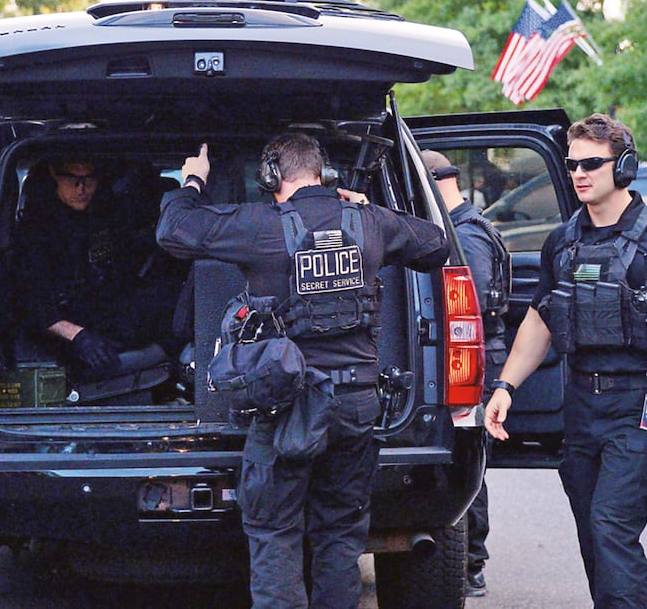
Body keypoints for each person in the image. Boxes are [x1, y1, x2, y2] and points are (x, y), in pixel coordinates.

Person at [156, 135, 449, 608]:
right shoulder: (369, 221)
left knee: (275, 532)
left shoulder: (260, 226)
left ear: (271, 176)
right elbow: (436, 245)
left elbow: (174, 231)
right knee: (340, 535)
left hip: (288, 407)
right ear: (326, 175)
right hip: (357, 405)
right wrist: (370, 207)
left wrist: (193, 179)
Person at [484, 114, 647, 608]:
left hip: (641, 406)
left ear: (626, 166)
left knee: (611, 525)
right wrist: (505, 387)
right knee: (594, 534)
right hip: (581, 407)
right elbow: (539, 320)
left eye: (592, 163)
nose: (578, 174)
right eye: (572, 164)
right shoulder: (563, 241)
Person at [423, 150, 509, 598]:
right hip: (479, 355)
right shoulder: (464, 227)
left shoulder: (466, 237)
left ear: (434, 181)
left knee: (466, 455)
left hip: (475, 356)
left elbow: (465, 310)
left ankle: (472, 563)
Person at [13, 158, 181, 377]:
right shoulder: (33, 234)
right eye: (73, 179)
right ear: (54, 175)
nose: (82, 188)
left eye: (89, 179)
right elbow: (29, 301)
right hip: (59, 333)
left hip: (102, 314)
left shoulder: (104, 218)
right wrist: (78, 336)